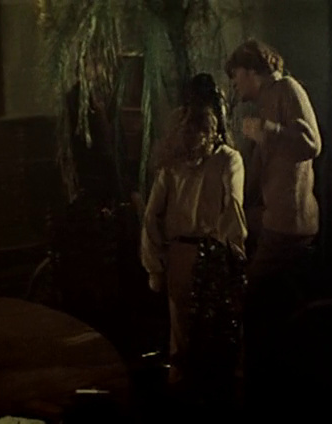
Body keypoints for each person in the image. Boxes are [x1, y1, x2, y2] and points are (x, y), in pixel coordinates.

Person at [224, 38, 322, 411]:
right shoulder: (267, 100)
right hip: (274, 219)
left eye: (237, 78)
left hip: (289, 224)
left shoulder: (287, 90)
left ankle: (257, 381)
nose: (236, 86)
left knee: (251, 295)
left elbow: (311, 144)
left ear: (253, 71)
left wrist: (267, 131)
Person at [140, 73, 247, 411]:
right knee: (201, 337)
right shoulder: (217, 160)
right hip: (199, 255)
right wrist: (233, 255)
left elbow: (152, 217)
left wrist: (155, 266)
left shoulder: (212, 160)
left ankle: (191, 400)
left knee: (192, 338)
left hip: (194, 255)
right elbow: (233, 211)